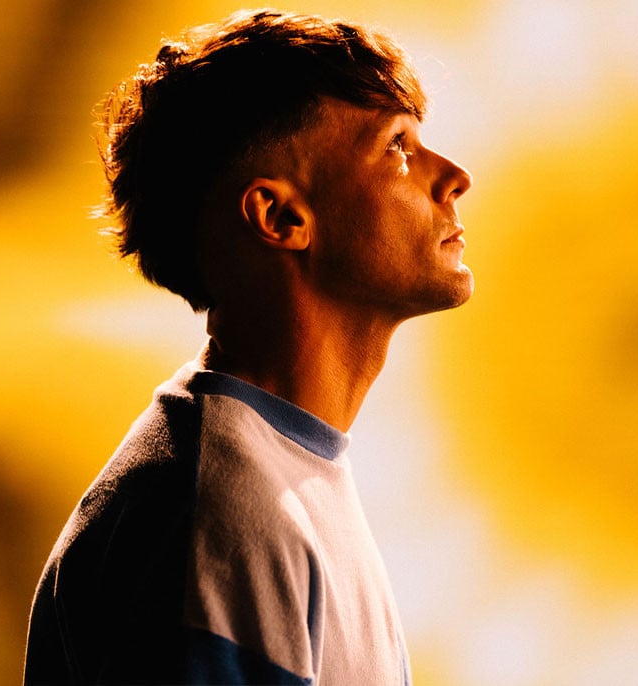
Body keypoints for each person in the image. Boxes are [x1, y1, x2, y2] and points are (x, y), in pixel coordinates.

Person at [24, 8, 472, 685]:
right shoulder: (228, 516)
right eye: (397, 146)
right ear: (281, 216)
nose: (455, 176)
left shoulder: (279, 476)